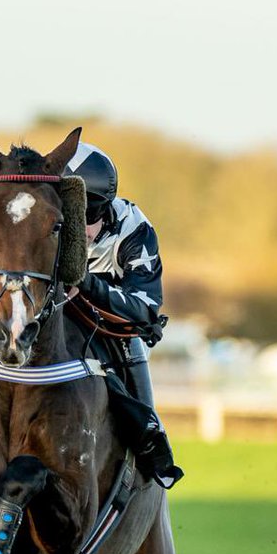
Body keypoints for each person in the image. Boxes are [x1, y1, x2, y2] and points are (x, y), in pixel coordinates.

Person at [63, 142, 181, 487]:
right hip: (46, 323)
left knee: (134, 346)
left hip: (109, 333)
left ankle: (151, 442)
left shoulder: (135, 229)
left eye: (90, 217)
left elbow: (145, 308)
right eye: (72, 217)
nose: (80, 230)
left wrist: (84, 283)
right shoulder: (41, 221)